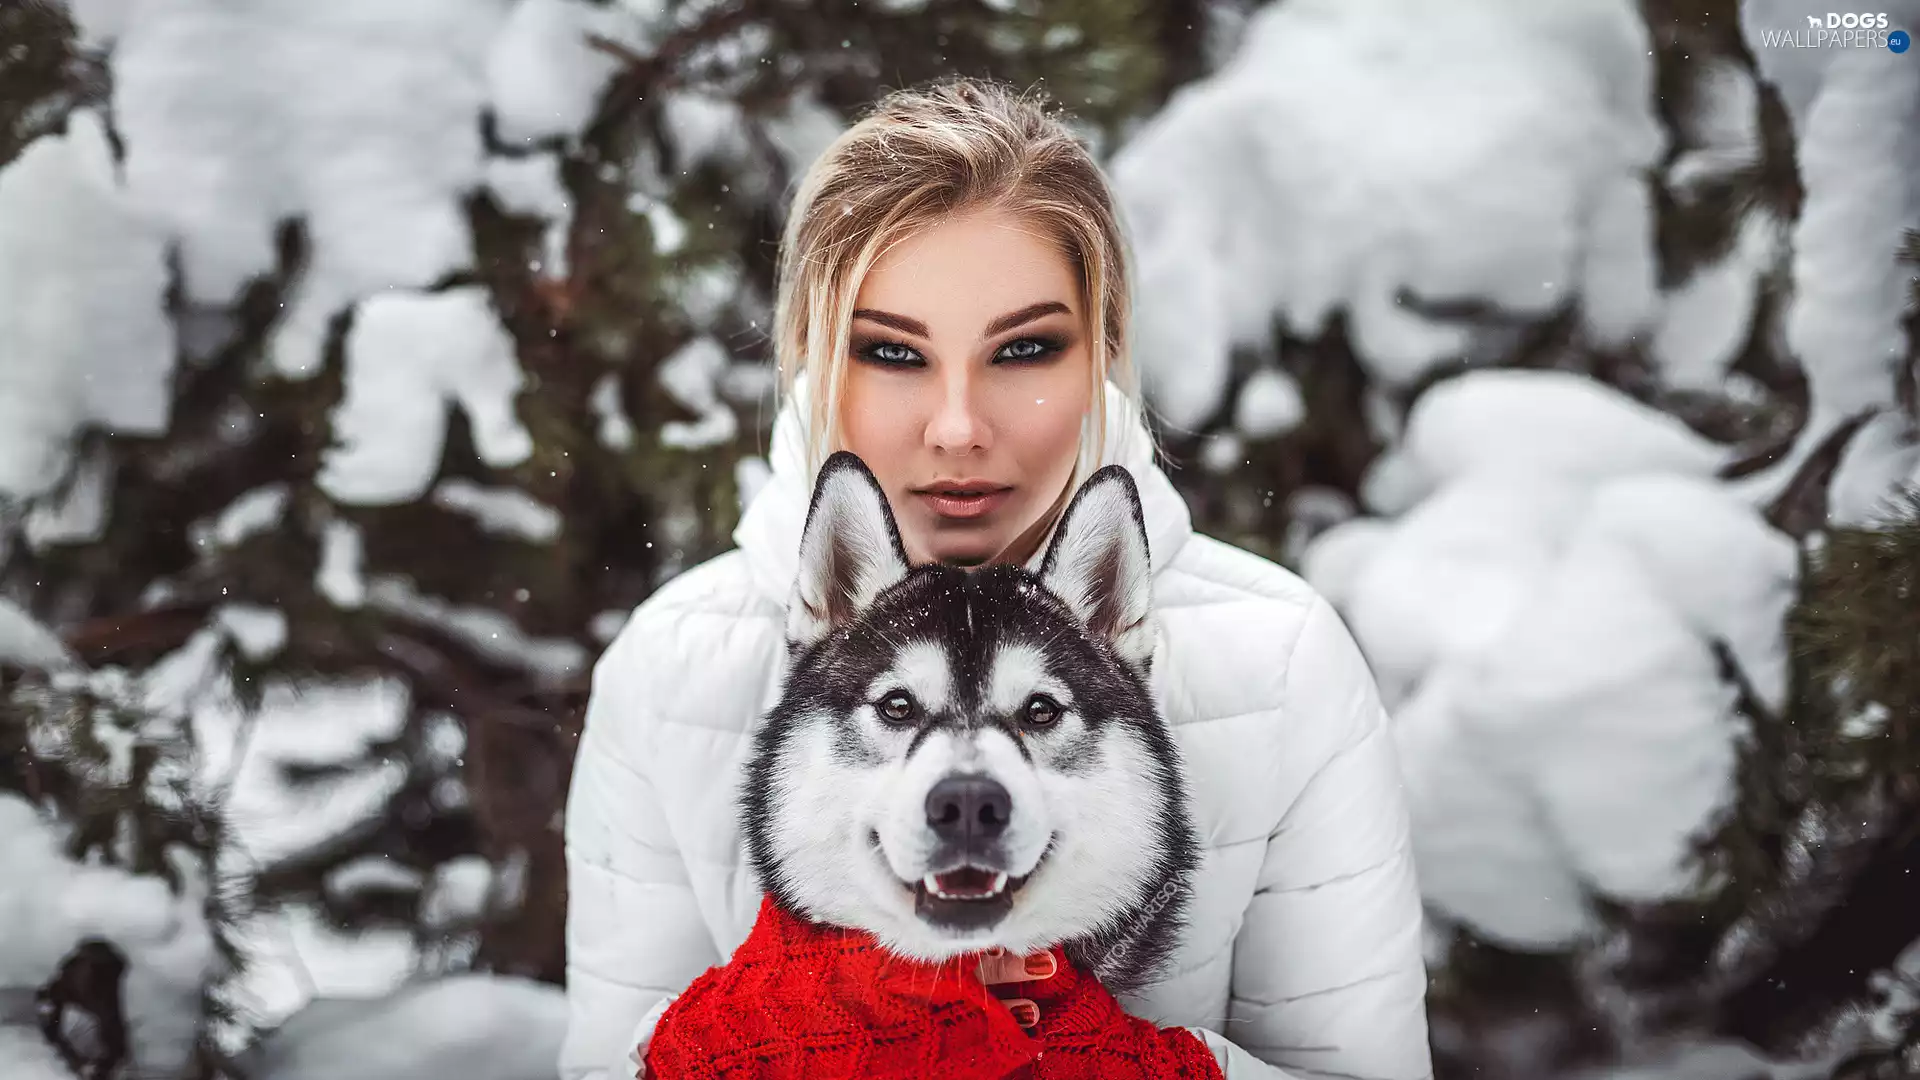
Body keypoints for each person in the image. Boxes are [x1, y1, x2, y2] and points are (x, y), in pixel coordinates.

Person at [561, 77, 1433, 1080]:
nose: (960, 426)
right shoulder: (674, 667)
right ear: (811, 361)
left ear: (1102, 354)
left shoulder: (1277, 663)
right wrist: (748, 1047)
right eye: (892, 353)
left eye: (1024, 349)